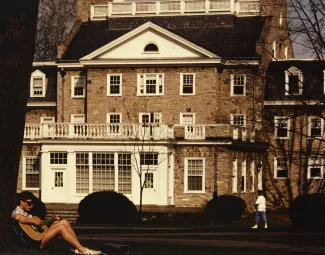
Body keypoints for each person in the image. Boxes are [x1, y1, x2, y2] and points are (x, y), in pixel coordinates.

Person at [12, 191, 101, 255]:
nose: (31, 206)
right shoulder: (17, 212)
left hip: (40, 236)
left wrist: (51, 221)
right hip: (36, 243)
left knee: (64, 222)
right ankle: (84, 250)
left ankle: (77, 248)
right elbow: (17, 217)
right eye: (29, 203)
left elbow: (39, 226)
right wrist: (33, 221)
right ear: (22, 202)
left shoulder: (27, 213)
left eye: (32, 204)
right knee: (61, 228)